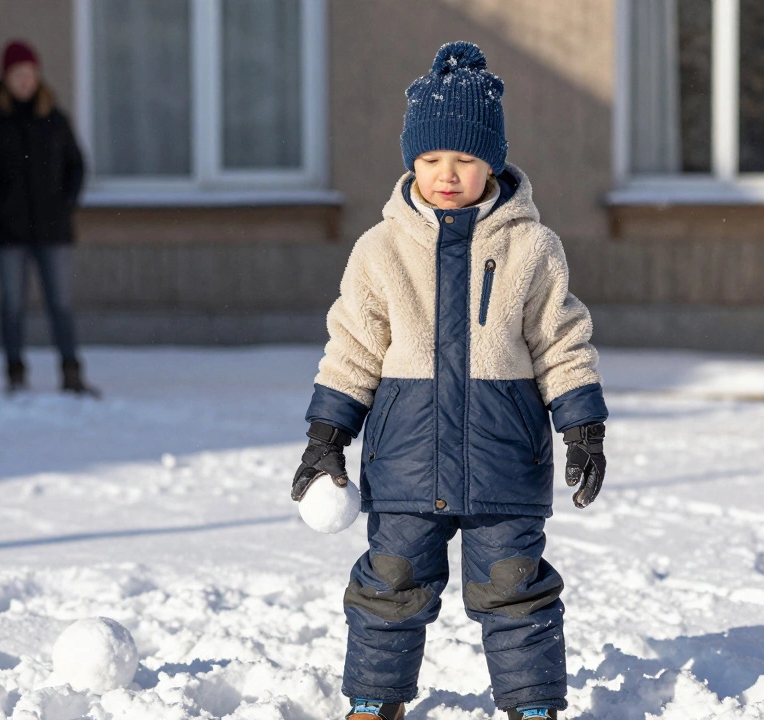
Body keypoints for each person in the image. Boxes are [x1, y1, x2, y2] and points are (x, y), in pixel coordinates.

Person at [291, 42, 608, 719]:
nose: (446, 175)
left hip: (504, 462)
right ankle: (374, 700)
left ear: (491, 162)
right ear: (411, 160)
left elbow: (560, 341)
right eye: (431, 159)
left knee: (515, 587)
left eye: (464, 159)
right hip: (406, 459)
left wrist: (582, 425)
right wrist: (326, 437)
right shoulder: (380, 249)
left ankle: (532, 704)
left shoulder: (532, 247)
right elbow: (352, 348)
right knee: (391, 583)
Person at [0, 41, 97, 396]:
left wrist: (65, 204)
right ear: (5, 78)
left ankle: (71, 371)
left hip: (53, 229)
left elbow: (76, 165)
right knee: (12, 305)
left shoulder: (55, 119)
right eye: (17, 75)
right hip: (8, 231)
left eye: (30, 74)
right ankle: (15, 373)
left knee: (61, 303)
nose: (25, 81)